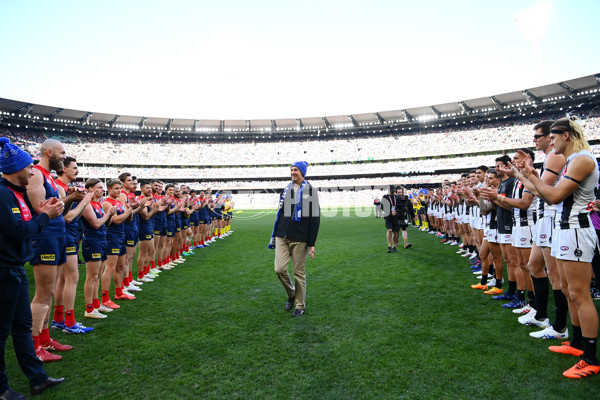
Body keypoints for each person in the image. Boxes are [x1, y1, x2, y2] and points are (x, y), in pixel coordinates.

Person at [516, 116, 600, 378]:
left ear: (567, 135)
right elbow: (543, 191)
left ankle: (591, 357)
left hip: (576, 230)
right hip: (565, 231)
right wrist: (525, 174)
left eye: (553, 137)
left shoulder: (583, 159)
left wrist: (531, 176)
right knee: (568, 290)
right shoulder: (574, 161)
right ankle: (576, 344)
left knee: (580, 294)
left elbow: (551, 195)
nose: (550, 143)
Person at [0, 137, 65, 398]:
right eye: (29, 167)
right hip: (5, 271)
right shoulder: (4, 195)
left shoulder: (15, 194)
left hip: (15, 268)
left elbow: (28, 221)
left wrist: (42, 211)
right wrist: (44, 217)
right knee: (3, 330)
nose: (32, 171)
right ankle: (2, 388)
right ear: (17, 169)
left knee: (22, 326)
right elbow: (18, 231)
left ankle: (37, 379)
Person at [269, 161, 320, 317]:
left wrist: (311, 244)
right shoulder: (286, 189)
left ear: (302, 172)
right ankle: (292, 293)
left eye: (295, 170)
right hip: (281, 235)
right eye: (291, 170)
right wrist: (277, 232)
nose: (292, 172)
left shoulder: (310, 191)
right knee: (279, 269)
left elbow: (314, 219)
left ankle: (300, 305)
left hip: (300, 238)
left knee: (299, 273)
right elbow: (281, 213)